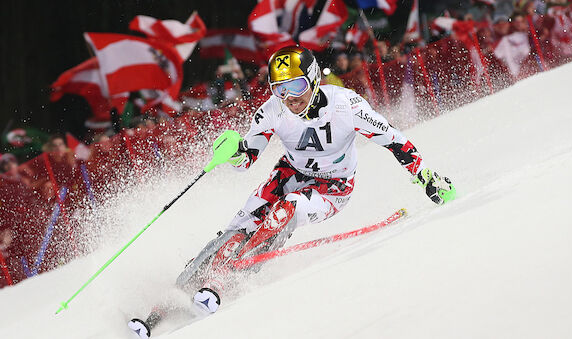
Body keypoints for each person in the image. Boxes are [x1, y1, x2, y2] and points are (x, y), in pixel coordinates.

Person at [129, 46, 456, 337]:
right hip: (288, 174)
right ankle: (164, 306)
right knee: (237, 229)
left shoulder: (346, 105)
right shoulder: (273, 110)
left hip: (334, 186)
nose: (290, 98)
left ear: (313, 80)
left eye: (296, 86)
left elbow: (394, 140)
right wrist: (232, 152)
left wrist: (425, 177)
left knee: (290, 208)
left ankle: (222, 281)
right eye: (279, 90)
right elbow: (248, 159)